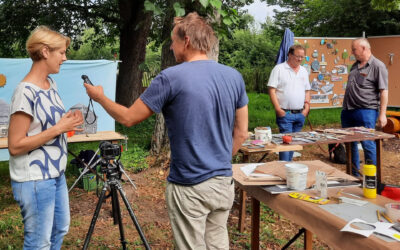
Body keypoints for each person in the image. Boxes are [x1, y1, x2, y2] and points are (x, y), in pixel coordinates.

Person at [84, 12, 248, 249]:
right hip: (223, 183)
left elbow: (128, 118)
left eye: (173, 40)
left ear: (187, 41)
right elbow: (241, 132)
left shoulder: (170, 78)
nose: (171, 47)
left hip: (189, 186)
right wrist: (219, 161)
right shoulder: (234, 77)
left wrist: (99, 98)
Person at [8, 26, 83, 249]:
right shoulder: (25, 92)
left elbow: (47, 123)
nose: (65, 58)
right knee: (39, 241)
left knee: (59, 229)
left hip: (55, 173)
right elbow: (15, 145)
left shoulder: (51, 85)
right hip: (35, 178)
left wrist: (68, 120)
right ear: (44, 52)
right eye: (61, 52)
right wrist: (58, 128)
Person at [342, 38, 388, 176]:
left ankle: (371, 177)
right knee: (350, 144)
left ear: (364, 48)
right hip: (348, 111)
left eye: (354, 49)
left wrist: (382, 114)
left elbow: (384, 90)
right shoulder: (354, 66)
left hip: (366, 111)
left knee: (367, 144)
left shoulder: (378, 66)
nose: (352, 52)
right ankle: (353, 175)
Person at [267, 44, 311, 161]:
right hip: (285, 113)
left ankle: (288, 168)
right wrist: (278, 109)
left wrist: (306, 108)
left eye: (302, 57)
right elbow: (271, 89)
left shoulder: (303, 71)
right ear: (289, 55)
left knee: (294, 143)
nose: (300, 59)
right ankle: (283, 169)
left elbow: (307, 90)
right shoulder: (279, 69)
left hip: (300, 113)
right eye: (298, 56)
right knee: (286, 144)